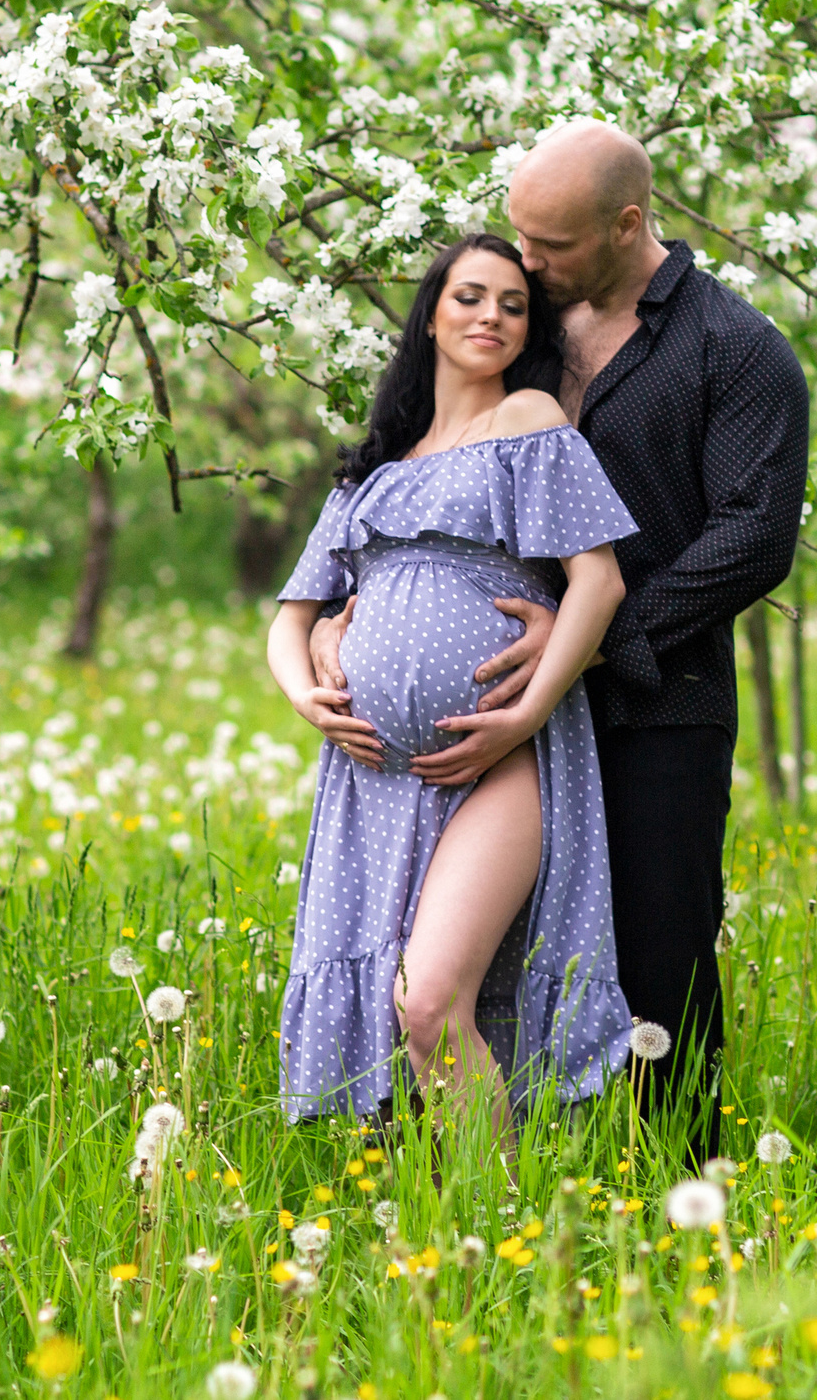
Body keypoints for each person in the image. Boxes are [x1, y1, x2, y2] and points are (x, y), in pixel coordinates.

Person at [313, 118, 808, 1160]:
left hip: (652, 702)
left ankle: (676, 1191)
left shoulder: (738, 350)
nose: (527, 266)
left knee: (655, 952)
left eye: (553, 247)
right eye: (518, 241)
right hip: (491, 720)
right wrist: (360, 609)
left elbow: (754, 541)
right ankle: (506, 1182)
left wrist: (591, 639)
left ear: (628, 226)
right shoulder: (528, 330)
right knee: (462, 961)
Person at [266, 232, 639, 1137]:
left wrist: (525, 713)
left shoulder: (527, 421)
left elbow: (600, 581)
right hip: (374, 778)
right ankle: (441, 1230)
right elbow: (291, 615)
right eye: (471, 297)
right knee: (404, 1020)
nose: (493, 317)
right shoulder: (373, 471)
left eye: (514, 305)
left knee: (431, 1001)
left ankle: (496, 1227)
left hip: (500, 757)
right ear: (431, 313)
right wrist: (307, 691)